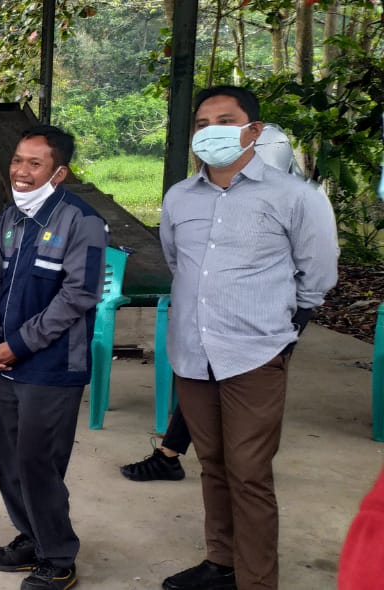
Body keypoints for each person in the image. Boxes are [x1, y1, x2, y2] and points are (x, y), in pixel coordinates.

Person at [158, 85, 338, 590]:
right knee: (212, 463)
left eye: (225, 121)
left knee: (249, 471)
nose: (211, 132)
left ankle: (257, 581)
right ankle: (221, 562)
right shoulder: (179, 197)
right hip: (192, 353)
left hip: (254, 354)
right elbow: (178, 262)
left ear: (254, 131)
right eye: (202, 124)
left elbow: (317, 274)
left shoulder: (295, 197)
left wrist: (283, 331)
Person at [118, 122, 310, 484]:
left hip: (271, 316)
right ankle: (173, 455)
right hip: (226, 310)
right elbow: (180, 257)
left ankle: (231, 467)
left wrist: (287, 326)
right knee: (205, 379)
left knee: (242, 392)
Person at [0, 125, 108, 590]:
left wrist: (20, 344)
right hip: (8, 361)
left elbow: (79, 295)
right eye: (18, 160)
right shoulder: (10, 218)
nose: (22, 171)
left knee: (38, 463)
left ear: (59, 173)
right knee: (10, 460)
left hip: (53, 367)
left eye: (35, 163)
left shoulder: (82, 221)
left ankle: (58, 556)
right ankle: (32, 538)